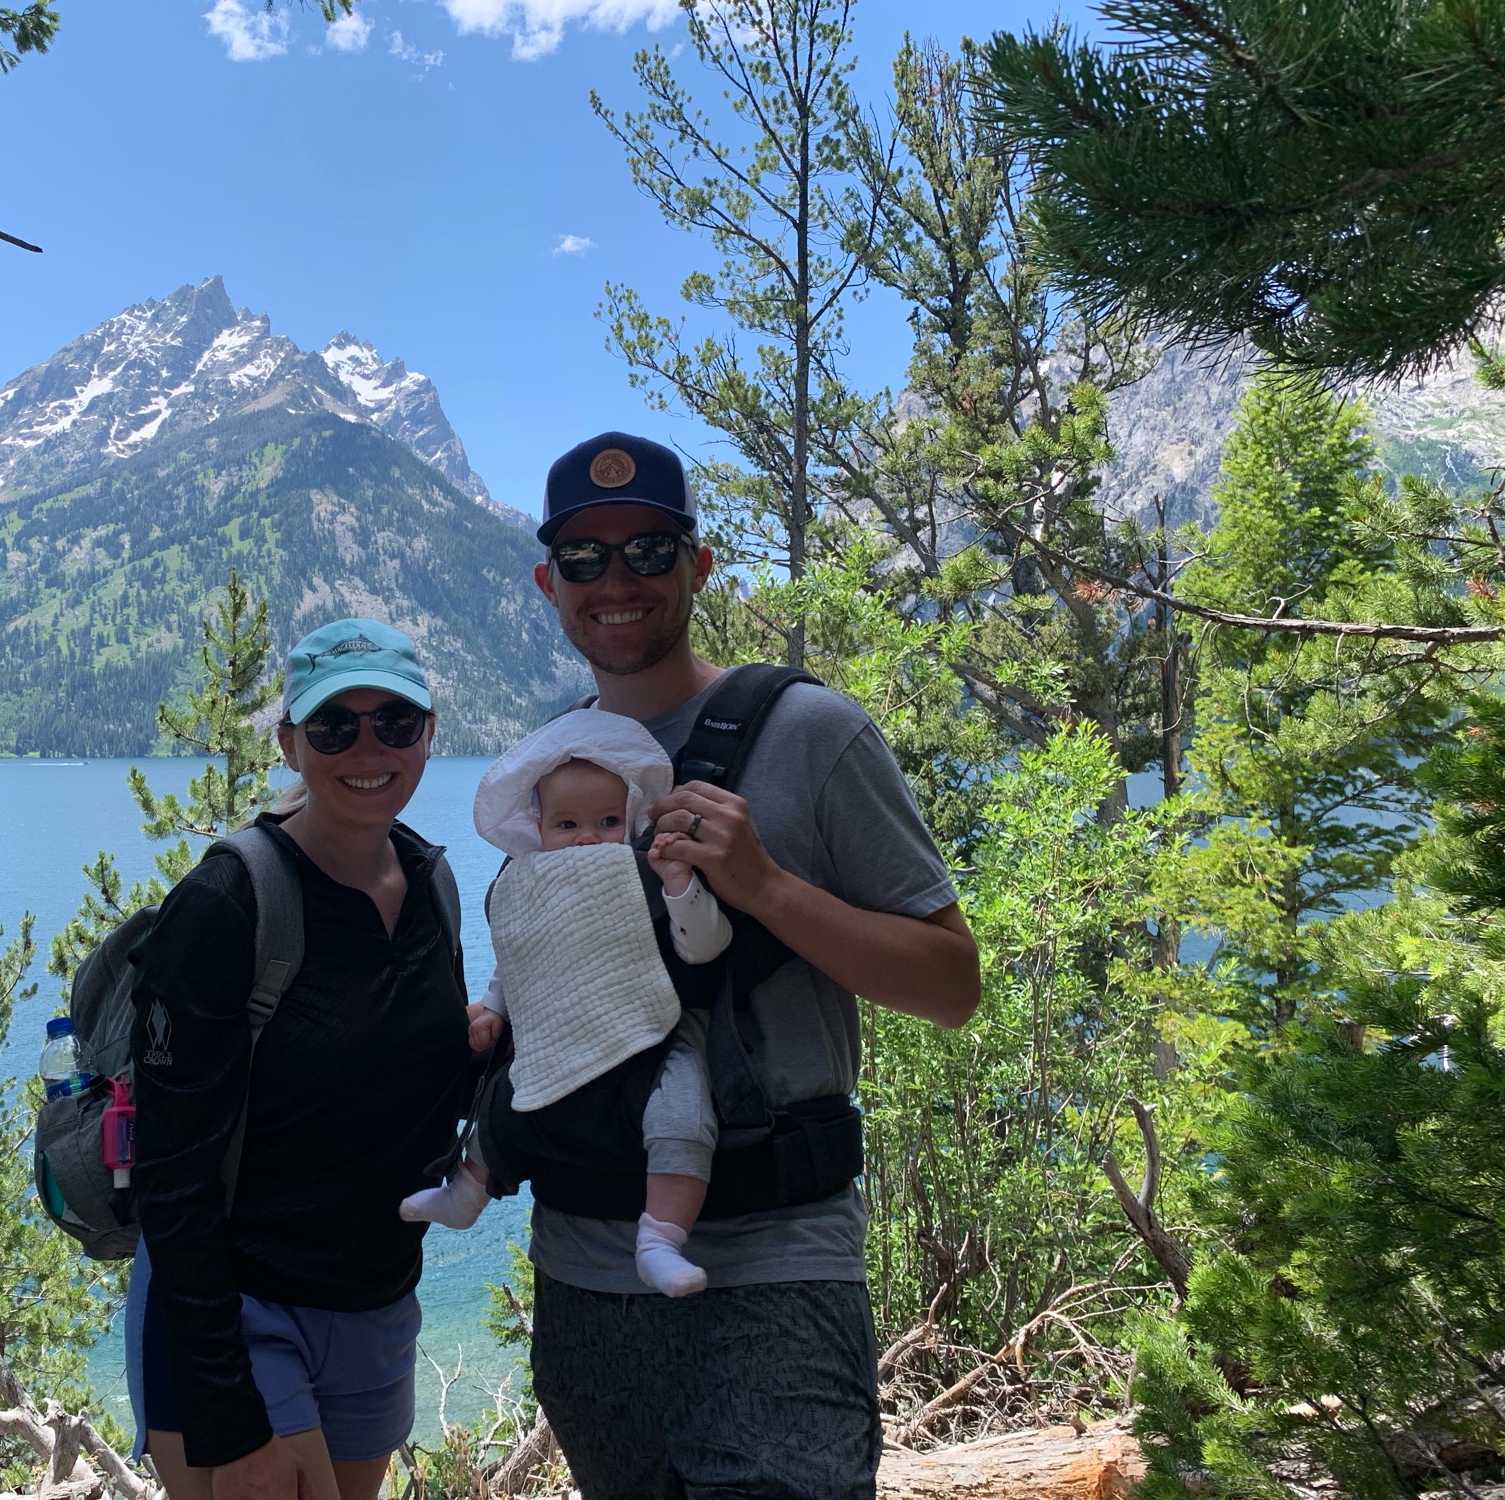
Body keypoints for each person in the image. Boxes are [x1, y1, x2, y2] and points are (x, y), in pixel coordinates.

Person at [520, 432, 984, 1500]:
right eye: (584, 558)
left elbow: (950, 986)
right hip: (581, 1274)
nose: (616, 580)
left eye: (648, 549)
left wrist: (765, 886)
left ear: (698, 565)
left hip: (776, 1267)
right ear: (551, 585)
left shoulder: (813, 733)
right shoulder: (553, 761)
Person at [126, 617, 473, 1500]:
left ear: (429, 733)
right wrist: (231, 1417)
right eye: (334, 726)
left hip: (376, 1306)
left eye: (395, 722)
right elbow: (172, 1173)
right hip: (237, 1309)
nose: (369, 747)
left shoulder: (431, 884)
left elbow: (413, 1083)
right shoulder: (228, 903)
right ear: (289, 744)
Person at [398, 710, 732, 1297]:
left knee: (682, 1112)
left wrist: (680, 886)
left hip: (651, 1031)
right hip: (559, 1027)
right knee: (506, 1098)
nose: (587, 838)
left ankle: (661, 1238)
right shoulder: (530, 882)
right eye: (567, 823)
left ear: (631, 820)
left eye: (607, 821)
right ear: (539, 827)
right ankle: (466, 1192)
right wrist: (494, 1009)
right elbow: (520, 957)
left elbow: (705, 948)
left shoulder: (645, 873)